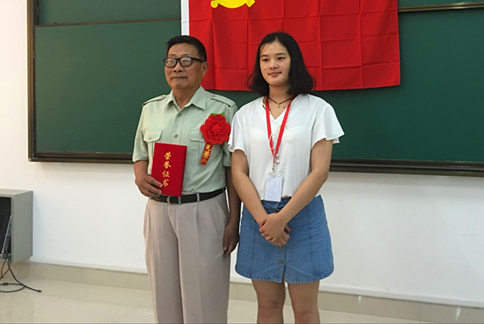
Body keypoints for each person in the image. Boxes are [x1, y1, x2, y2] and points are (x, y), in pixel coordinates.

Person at [228, 32, 344, 324]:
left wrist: (282, 218)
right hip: (258, 216)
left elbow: (320, 172)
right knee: (267, 305)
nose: (272, 65)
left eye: (280, 57)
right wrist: (265, 220)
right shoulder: (245, 114)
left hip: (303, 215)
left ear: (294, 61)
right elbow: (238, 172)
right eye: (265, 59)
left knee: (304, 308)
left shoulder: (318, 109)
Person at [132, 35, 240, 324]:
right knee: (163, 289)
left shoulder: (224, 109)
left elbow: (233, 170)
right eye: (171, 61)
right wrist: (140, 177)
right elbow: (140, 155)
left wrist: (234, 220)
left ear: (203, 68)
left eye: (186, 60)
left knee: (205, 293)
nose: (177, 67)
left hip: (204, 209)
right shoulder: (150, 109)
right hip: (158, 211)